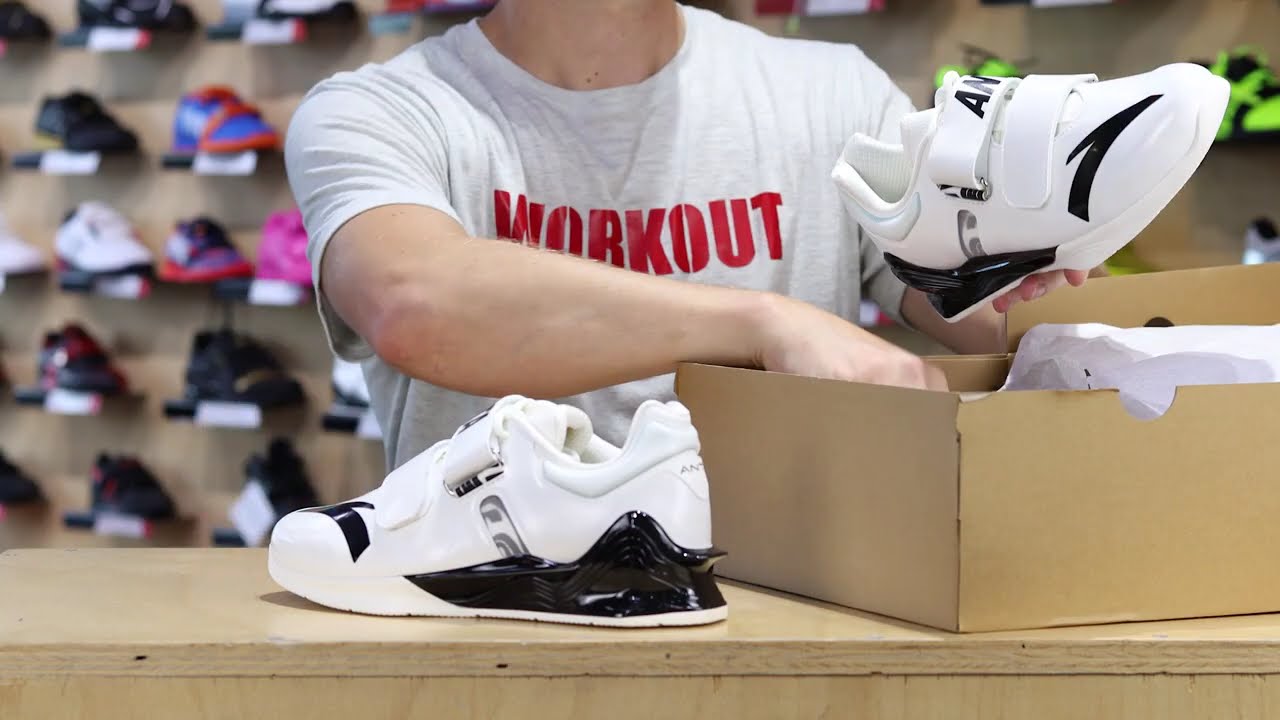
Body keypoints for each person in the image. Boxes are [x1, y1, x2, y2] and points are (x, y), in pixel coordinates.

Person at [285, 0, 1088, 469]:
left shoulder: (835, 92)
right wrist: (765, 324)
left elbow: (999, 316)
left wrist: (1055, 253)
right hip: (494, 630)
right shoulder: (376, 112)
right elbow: (415, 304)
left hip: (790, 610)